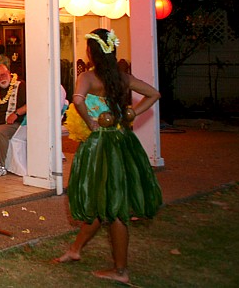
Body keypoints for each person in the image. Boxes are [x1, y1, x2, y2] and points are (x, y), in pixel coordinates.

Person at [55, 29, 162, 283]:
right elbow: (154, 94)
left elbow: (78, 99)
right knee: (103, 200)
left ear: (91, 52)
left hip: (101, 144)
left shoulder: (88, 76)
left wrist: (91, 123)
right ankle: (75, 250)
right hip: (123, 141)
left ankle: (121, 271)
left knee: (113, 205)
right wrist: (133, 113)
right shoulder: (122, 77)